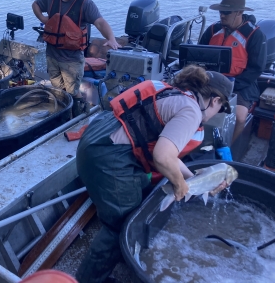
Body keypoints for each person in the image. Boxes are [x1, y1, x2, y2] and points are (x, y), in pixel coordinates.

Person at [75, 65, 233, 283]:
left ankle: (117, 255)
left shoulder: (175, 93)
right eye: (222, 108)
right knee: (121, 223)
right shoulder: (191, 111)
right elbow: (162, 157)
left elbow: (169, 154)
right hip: (108, 155)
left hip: (97, 138)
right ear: (215, 100)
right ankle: (88, 279)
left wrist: (195, 180)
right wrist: (180, 186)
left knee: (139, 196)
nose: (218, 112)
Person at [32, 0, 120, 117]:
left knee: (73, 91)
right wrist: (43, 19)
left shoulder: (86, 4)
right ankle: (62, 114)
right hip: (52, 55)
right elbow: (35, 5)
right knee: (58, 90)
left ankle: (80, 115)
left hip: (72, 60)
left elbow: (99, 22)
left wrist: (111, 38)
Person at [199, 0, 267, 143]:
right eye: (221, 12)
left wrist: (231, 86)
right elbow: (197, 55)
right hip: (210, 79)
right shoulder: (211, 30)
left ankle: (228, 147)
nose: (222, 16)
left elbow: (256, 69)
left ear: (240, 13)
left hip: (242, 83)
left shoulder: (255, 35)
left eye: (226, 12)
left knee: (239, 117)